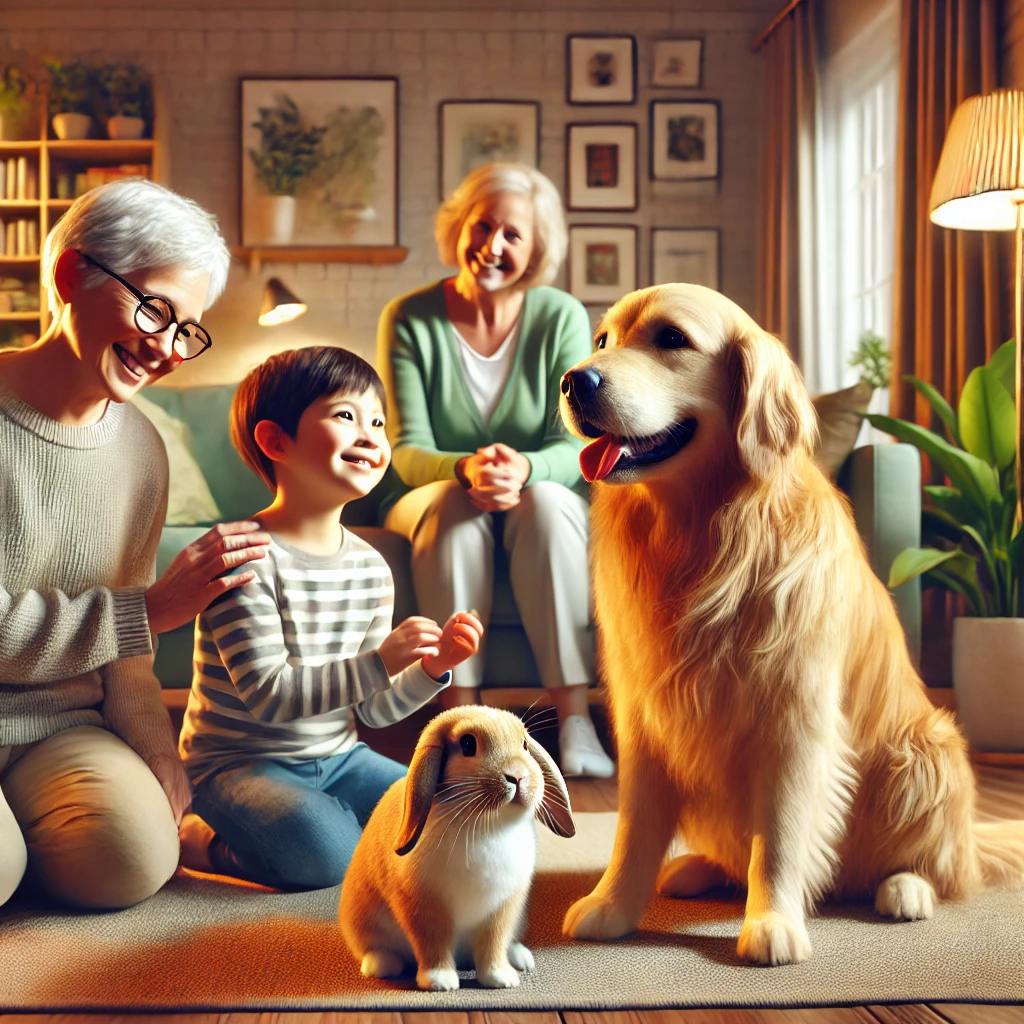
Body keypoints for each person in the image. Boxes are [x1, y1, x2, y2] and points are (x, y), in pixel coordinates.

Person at [0, 178, 272, 910]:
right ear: (69, 277)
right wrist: (146, 609)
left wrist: (156, 749)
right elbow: (134, 619)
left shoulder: (143, 448)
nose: (168, 348)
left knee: (132, 859)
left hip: (59, 726)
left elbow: (129, 659)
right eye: (154, 308)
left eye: (188, 327)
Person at [177, 346, 483, 890]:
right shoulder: (243, 560)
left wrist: (434, 668)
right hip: (237, 765)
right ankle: (203, 840)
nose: (370, 434)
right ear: (276, 442)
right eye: (346, 415)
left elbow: (376, 709)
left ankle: (325, 819)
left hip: (339, 757)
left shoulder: (371, 567)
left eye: (378, 422)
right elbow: (271, 697)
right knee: (326, 855)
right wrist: (381, 658)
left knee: (450, 811)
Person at [378, 162, 614, 779]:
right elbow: (404, 449)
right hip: (433, 490)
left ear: (535, 249)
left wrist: (525, 469)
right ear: (459, 226)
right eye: (482, 226)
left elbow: (572, 441)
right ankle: (463, 723)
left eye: (513, 235)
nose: (493, 245)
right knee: (448, 509)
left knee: (550, 502)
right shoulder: (409, 316)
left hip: (533, 489)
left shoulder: (559, 316)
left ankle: (576, 721)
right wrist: (465, 470)